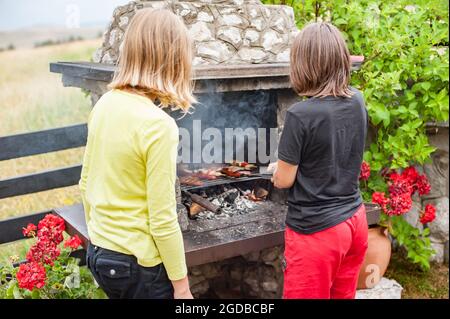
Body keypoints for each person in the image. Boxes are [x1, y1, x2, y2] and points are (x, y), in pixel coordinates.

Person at [79, 8, 196, 299]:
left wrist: (100, 238)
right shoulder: (158, 125)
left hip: (101, 254)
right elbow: (162, 219)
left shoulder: (104, 104)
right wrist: (181, 287)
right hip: (139, 267)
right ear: (174, 61)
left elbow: (84, 183)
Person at [272, 22, 369, 299]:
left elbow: (284, 179)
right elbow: (332, 152)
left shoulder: (300, 114)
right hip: (354, 221)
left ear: (304, 65)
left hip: (317, 232)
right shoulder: (357, 100)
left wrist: (277, 172)